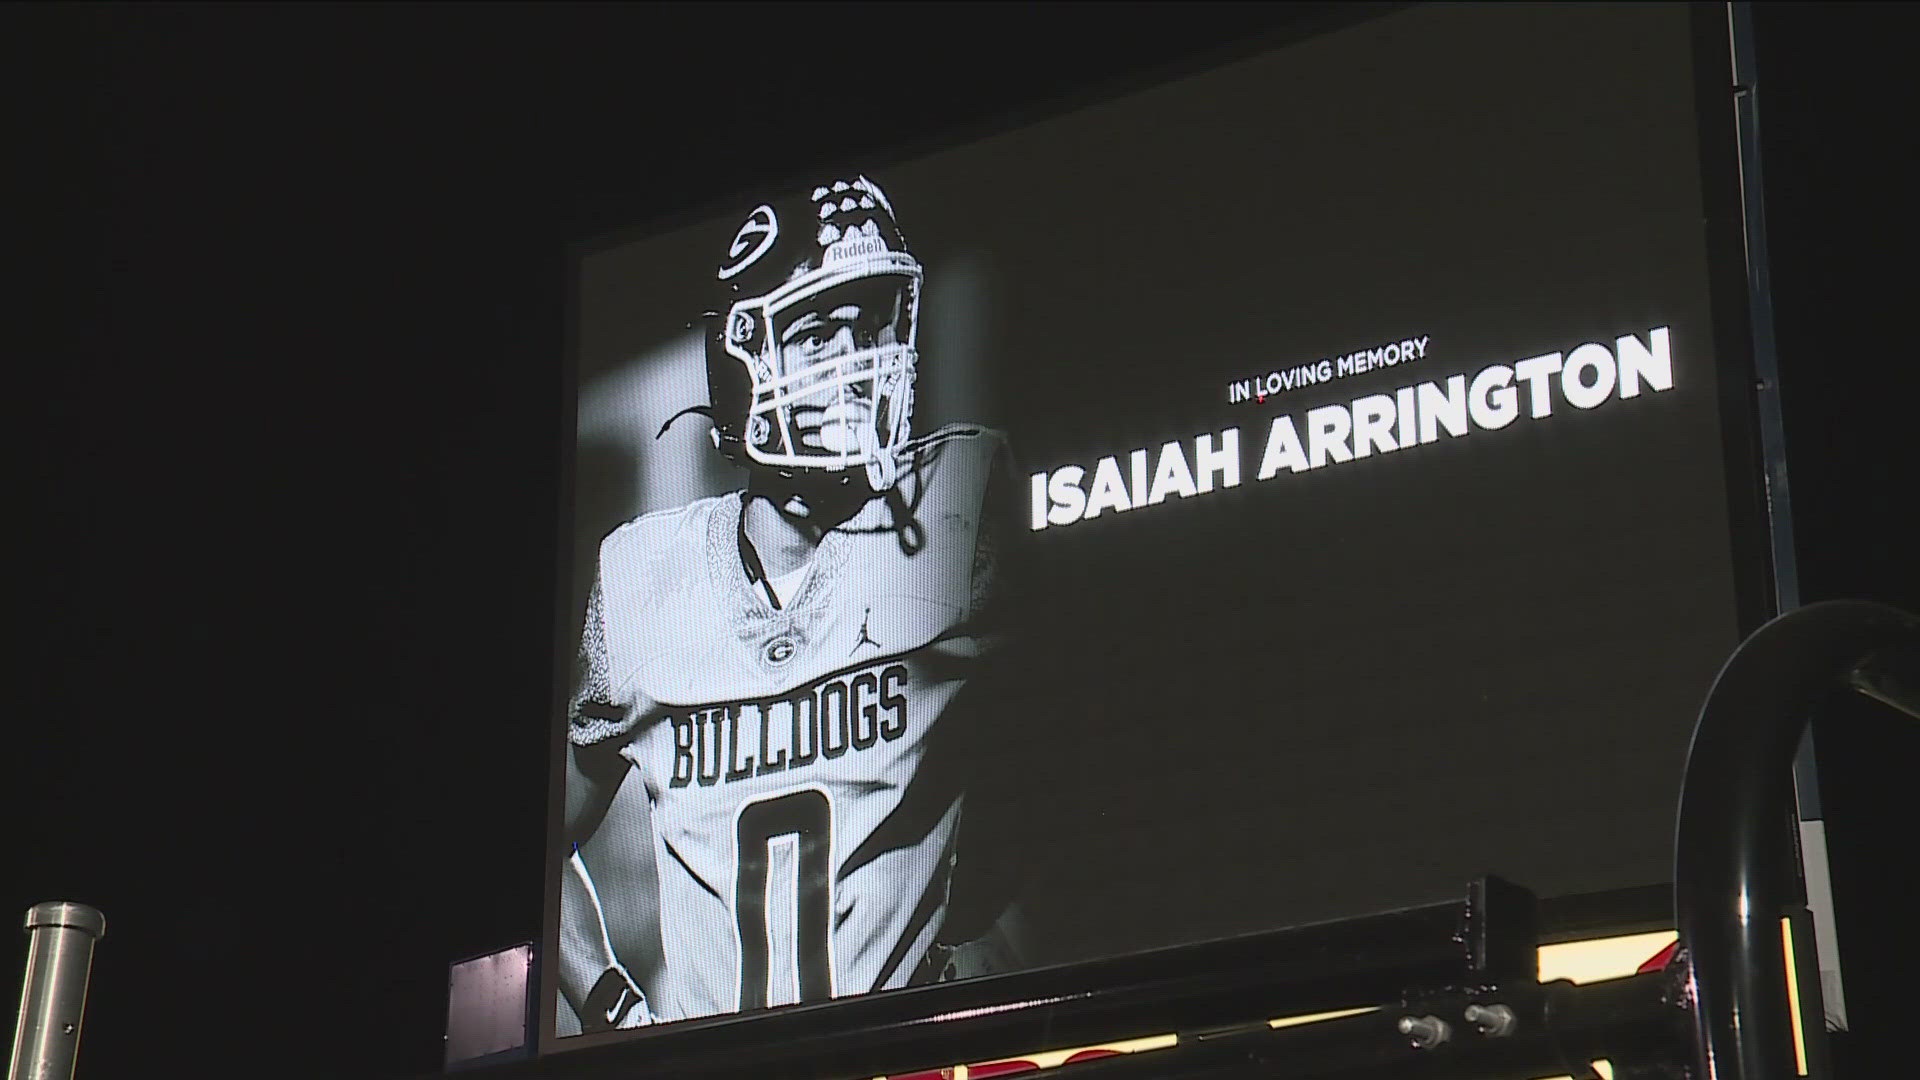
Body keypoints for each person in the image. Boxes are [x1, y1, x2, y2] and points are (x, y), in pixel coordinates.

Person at [558, 175, 1020, 1031]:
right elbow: (538, 846)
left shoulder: (962, 510)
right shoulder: (643, 580)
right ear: (744, 365)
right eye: (817, 334)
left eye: (871, 321)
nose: (858, 364)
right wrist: (611, 1005)